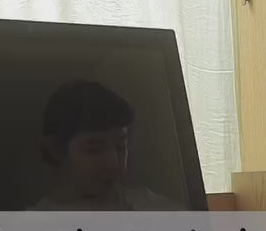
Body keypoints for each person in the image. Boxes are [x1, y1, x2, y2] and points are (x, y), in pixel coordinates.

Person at [34, 79, 178, 211]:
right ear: (56, 149)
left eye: (120, 146)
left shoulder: (156, 209)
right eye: (94, 149)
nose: (113, 163)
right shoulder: (34, 226)